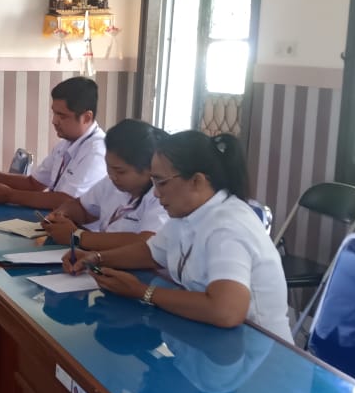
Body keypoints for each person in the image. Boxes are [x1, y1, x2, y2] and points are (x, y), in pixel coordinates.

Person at [64, 131, 292, 343]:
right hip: (211, 341)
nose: (155, 192)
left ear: (197, 181)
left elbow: (226, 311)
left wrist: (142, 292)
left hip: (259, 350)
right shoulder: (187, 214)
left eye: (161, 182)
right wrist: (97, 257)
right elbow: (150, 252)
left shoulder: (228, 226)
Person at [0, 77, 106, 209]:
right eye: (54, 113)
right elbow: (34, 183)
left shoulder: (97, 152)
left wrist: (11, 196)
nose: (54, 121)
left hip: (76, 225)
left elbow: (66, 200)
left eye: (62, 116)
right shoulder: (65, 144)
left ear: (86, 117)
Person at [42, 119, 169, 251]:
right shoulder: (111, 183)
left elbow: (147, 242)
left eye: (120, 171)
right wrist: (61, 215)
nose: (112, 175)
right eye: (108, 166)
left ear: (149, 169)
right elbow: (83, 209)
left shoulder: (162, 196)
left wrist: (78, 236)